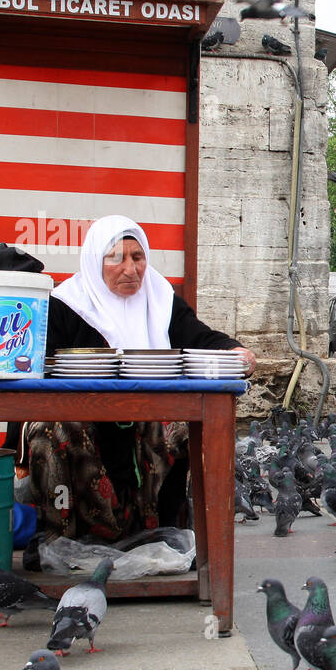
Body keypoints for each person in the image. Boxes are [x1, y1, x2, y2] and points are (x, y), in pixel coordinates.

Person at [27, 215, 255, 541]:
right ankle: (61, 539)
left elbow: (200, 339)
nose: (131, 269)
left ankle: (170, 533)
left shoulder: (159, 299)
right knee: (49, 429)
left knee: (187, 426)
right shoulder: (66, 307)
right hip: (90, 432)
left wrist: (236, 351)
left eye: (138, 257)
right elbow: (40, 366)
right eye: (116, 258)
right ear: (95, 261)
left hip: (144, 430)